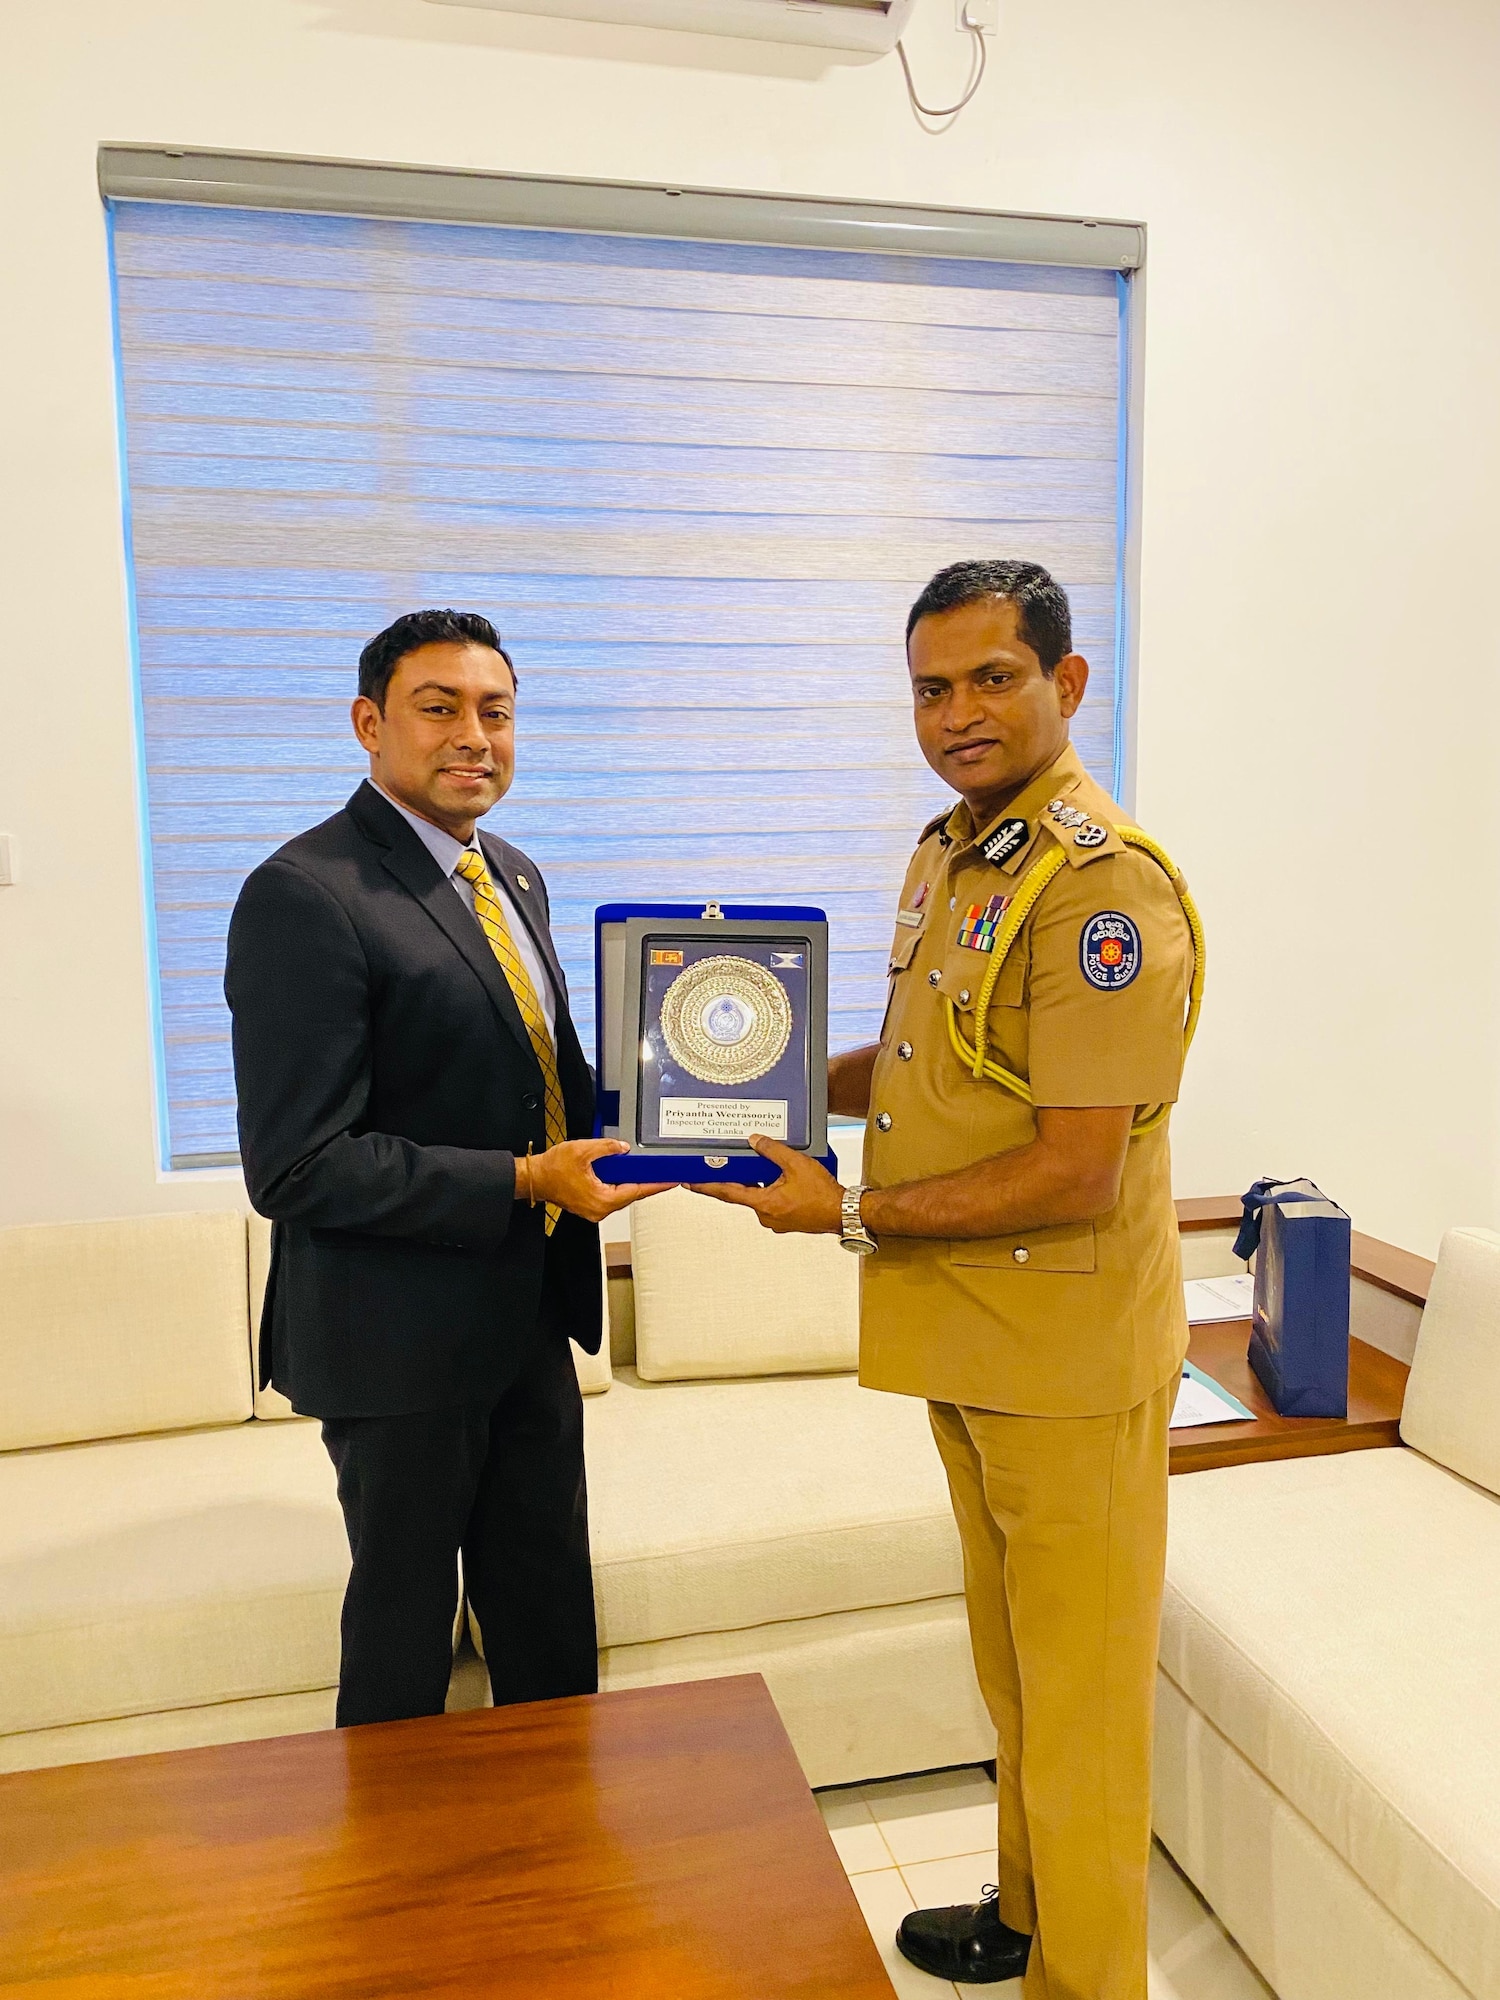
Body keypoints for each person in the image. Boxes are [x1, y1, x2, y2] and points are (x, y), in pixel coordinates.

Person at [694, 560, 1196, 2000]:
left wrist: (846, 1207)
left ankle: (1085, 1986)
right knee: (1019, 1680)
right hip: (978, 1346)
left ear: (1068, 683)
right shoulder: (958, 853)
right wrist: (744, 1082)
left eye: (994, 678)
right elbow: (924, 1063)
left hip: (1072, 1365)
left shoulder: (1104, 890)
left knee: (1086, 1711)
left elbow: (1074, 1166)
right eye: (931, 686)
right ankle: (1028, 1915)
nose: (959, 712)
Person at [225, 609, 666, 1728]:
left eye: (497, 711)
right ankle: (395, 1889)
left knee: (550, 1614)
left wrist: (696, 1106)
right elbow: (300, 1166)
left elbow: (550, 1077)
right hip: (394, 1347)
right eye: (441, 708)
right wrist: (528, 1179)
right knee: (404, 1645)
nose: (475, 734)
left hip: (524, 1317)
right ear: (371, 723)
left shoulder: (510, 870)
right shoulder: (305, 894)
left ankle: (558, 1859)